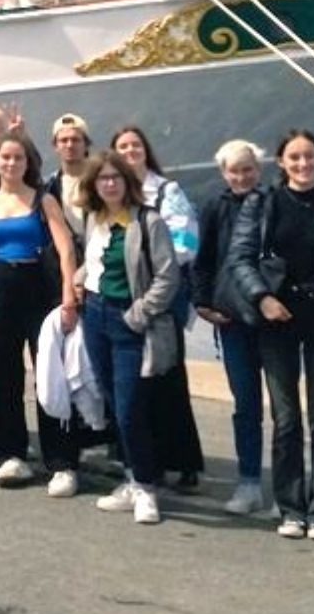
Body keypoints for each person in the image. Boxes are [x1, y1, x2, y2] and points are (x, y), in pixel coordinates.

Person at [227, 127, 314, 542]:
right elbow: (240, 258)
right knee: (286, 418)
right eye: (295, 158)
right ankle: (290, 507)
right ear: (281, 163)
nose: (303, 164)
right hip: (278, 321)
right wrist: (262, 297)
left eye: (310, 157)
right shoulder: (262, 203)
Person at [0, 131, 81, 495]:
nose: (11, 163)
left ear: (28, 163)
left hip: (39, 286)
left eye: (18, 157)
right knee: (4, 376)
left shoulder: (43, 201)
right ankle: (10, 454)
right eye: (5, 157)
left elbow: (65, 250)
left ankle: (61, 461)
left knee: (50, 374)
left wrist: (68, 295)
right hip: (1, 288)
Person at [77, 152, 180, 527]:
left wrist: (139, 313)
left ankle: (147, 486)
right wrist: (80, 279)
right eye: (102, 178)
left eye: (115, 177)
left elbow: (167, 277)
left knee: (130, 407)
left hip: (127, 321)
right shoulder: (94, 219)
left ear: (128, 181)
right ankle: (131, 479)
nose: (109, 184)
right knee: (111, 400)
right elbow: (95, 261)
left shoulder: (147, 221)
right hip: (95, 315)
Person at [111, 125, 204, 489]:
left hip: (160, 296)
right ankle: (140, 457)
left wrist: (151, 269)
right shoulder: (114, 194)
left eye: (135, 145)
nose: (130, 151)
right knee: (133, 383)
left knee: (168, 379)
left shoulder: (166, 191)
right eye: (123, 146)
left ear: (146, 150)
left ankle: (182, 461)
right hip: (124, 296)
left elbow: (186, 240)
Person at [191, 139, 268, 516]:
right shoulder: (214, 206)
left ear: (260, 169)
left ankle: (289, 487)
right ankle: (249, 481)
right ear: (223, 173)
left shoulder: (273, 203)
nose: (241, 176)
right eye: (234, 170)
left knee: (285, 409)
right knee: (246, 404)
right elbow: (202, 259)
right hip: (233, 319)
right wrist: (202, 303)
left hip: (272, 316)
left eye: (247, 169)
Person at [45, 114, 92, 239]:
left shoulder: (100, 181)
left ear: (86, 144)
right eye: (63, 140)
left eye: (75, 140)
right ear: (55, 146)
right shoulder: (49, 186)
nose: (69, 145)